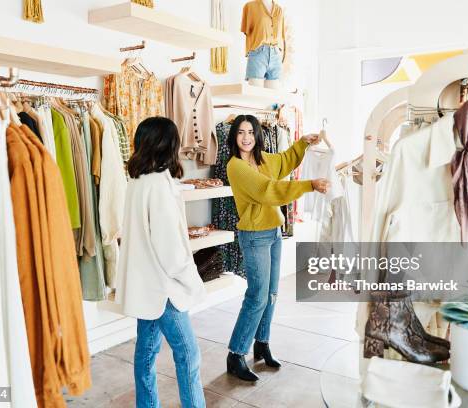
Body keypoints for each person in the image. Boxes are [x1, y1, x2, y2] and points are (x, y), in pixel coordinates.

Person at [225, 115, 330, 381]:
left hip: (273, 232)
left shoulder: (262, 159)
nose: (246, 137)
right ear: (234, 137)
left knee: (271, 294)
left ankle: (262, 344)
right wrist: (308, 185)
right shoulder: (236, 166)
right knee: (257, 296)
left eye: (250, 132)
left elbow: (284, 161)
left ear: (257, 135)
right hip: (254, 235)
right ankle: (236, 354)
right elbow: (267, 190)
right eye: (241, 133)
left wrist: (302, 144)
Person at [116, 117, 207, 407]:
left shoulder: (138, 181)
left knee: (146, 354)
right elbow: (169, 249)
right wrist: (190, 277)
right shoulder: (158, 185)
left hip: (146, 286)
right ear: (168, 144)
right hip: (164, 287)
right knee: (188, 355)